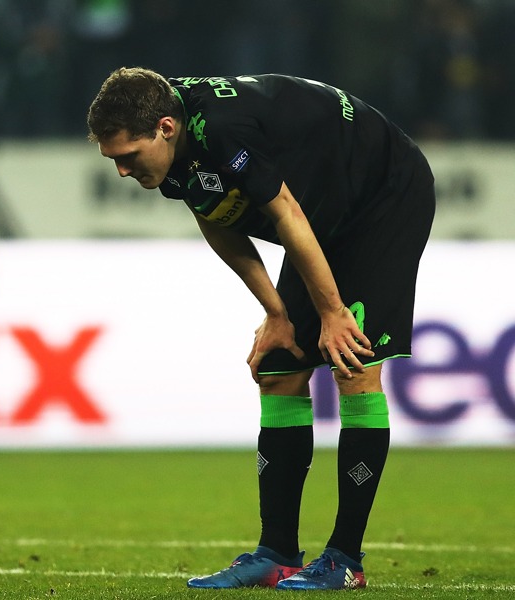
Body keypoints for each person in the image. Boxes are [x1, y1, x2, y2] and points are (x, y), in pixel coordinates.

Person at [87, 67, 435, 591]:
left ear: (164, 127)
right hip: (323, 210)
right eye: (113, 161)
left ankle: (346, 559)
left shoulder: (222, 129)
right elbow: (215, 215)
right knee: (278, 370)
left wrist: (333, 311)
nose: (122, 171)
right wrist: (277, 313)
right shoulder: (174, 147)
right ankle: (277, 554)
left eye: (128, 157)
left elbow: (286, 213)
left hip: (382, 195)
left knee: (352, 363)